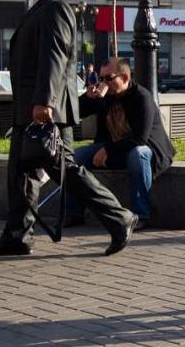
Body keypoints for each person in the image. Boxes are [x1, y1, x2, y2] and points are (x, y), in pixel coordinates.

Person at [0, 0, 137, 257]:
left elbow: (54, 59)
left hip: (46, 110)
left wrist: (44, 102)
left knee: (67, 172)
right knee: (19, 174)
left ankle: (120, 218)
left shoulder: (55, 8)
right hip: (30, 108)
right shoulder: (37, 8)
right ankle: (17, 236)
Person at [65, 57, 176, 231]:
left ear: (124, 78)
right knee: (75, 157)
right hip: (115, 150)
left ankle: (142, 215)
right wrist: (88, 97)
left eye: (108, 78)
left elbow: (140, 139)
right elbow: (75, 113)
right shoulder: (105, 96)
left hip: (147, 152)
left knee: (138, 154)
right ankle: (74, 212)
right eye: (99, 78)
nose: (104, 83)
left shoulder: (141, 97)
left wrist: (107, 150)